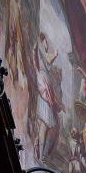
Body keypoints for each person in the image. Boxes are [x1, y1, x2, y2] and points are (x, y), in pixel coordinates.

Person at [33, 33, 65, 162]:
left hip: (47, 88)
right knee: (44, 124)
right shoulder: (40, 49)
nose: (47, 45)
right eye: (46, 43)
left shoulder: (43, 55)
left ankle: (44, 154)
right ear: (42, 42)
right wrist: (56, 53)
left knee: (49, 125)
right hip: (43, 87)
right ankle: (41, 155)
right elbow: (49, 58)